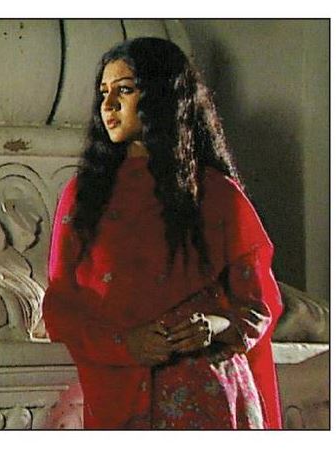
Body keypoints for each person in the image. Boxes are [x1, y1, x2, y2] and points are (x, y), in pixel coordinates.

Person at [42, 37, 282, 429]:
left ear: (162, 96)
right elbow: (61, 307)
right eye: (103, 93)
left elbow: (257, 308)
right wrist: (125, 345)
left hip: (210, 398)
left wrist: (213, 326)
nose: (108, 105)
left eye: (124, 90)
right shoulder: (85, 197)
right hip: (117, 394)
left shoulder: (216, 193)